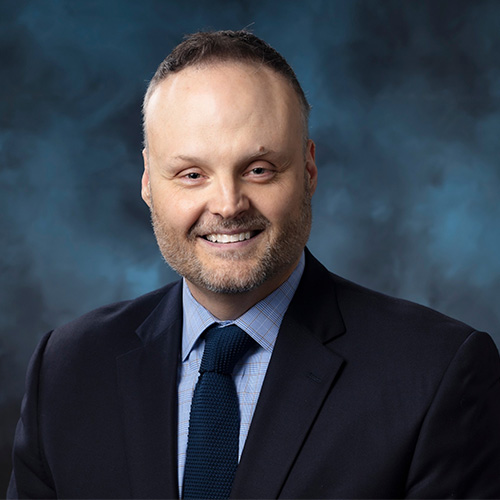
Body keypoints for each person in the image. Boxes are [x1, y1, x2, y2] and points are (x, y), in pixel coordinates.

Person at [8, 30, 500, 499]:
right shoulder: (66, 370)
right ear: (147, 182)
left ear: (308, 172)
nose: (227, 204)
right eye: (192, 173)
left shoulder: (436, 373)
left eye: (259, 169)